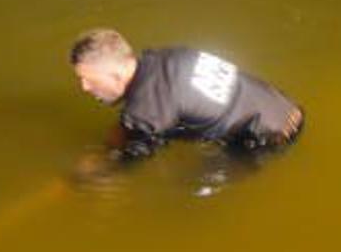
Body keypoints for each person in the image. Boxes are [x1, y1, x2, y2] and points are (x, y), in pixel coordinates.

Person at [69, 28, 304, 165]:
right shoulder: (162, 58)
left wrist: (103, 165)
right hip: (285, 104)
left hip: (269, 136)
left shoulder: (145, 110)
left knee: (187, 192)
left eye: (89, 79)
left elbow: (133, 155)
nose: (85, 87)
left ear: (116, 75)